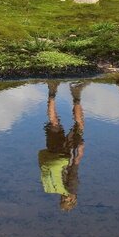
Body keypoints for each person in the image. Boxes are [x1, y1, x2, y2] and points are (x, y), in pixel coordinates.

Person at [38, 81, 87, 211]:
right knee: (54, 123)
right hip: (51, 153)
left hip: (64, 154)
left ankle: (76, 94)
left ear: (71, 199)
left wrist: (80, 153)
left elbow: (74, 167)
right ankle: (52, 89)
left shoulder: (71, 189)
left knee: (79, 126)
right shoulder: (54, 187)